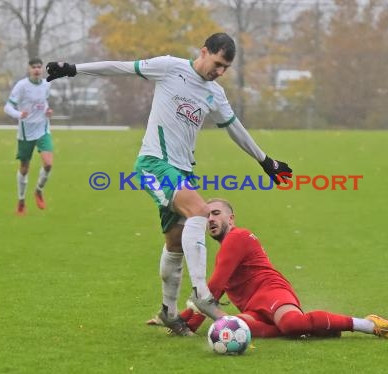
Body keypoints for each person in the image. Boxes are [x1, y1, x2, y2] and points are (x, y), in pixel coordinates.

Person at [45, 33, 293, 335]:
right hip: (153, 164)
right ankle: (202, 294)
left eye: (226, 68)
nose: (220, 72)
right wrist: (73, 69)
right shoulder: (169, 67)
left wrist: (265, 160)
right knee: (200, 212)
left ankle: (169, 312)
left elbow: (234, 128)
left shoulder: (215, 92)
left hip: (182, 171)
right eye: (217, 63)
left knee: (175, 244)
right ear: (203, 52)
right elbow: (121, 68)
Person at [151, 198, 388, 340]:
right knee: (237, 327)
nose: (210, 219)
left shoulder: (238, 237)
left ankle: (369, 325)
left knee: (291, 324)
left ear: (231, 218)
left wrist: (185, 322)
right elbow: (213, 293)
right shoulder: (226, 247)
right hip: (253, 307)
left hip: (272, 292)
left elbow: (215, 287)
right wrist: (180, 320)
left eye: (216, 213)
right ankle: (319, 328)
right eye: (207, 216)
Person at [4, 57, 54, 215]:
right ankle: (21, 200)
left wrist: (47, 111)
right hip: (26, 132)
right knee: (24, 168)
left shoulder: (47, 84)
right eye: (34, 67)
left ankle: (38, 190)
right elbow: (7, 107)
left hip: (43, 129)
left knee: (48, 164)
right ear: (29, 69)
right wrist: (19, 114)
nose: (37, 69)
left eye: (39, 67)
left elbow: (44, 102)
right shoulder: (22, 86)